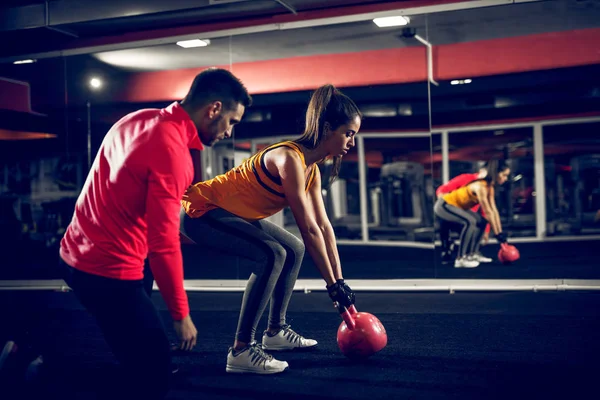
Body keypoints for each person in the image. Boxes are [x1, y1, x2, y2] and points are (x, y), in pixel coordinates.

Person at [57, 68, 252, 398]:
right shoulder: (172, 153)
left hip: (73, 254)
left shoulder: (138, 119)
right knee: (154, 373)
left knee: (135, 331)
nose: (229, 132)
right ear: (214, 109)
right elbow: (164, 243)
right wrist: (181, 315)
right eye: (231, 122)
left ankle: (138, 352)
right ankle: (35, 368)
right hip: (106, 272)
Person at [180, 84, 361, 374]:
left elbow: (324, 227)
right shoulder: (289, 159)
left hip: (233, 213)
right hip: (203, 210)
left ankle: (275, 332)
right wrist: (331, 286)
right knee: (272, 253)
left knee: (293, 249)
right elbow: (308, 228)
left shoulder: (310, 169)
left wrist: (340, 281)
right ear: (328, 128)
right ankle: (241, 349)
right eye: (348, 133)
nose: (352, 141)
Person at [433, 159, 511, 268]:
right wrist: (497, 234)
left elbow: (493, 210)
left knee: (481, 221)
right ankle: (461, 259)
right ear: (495, 173)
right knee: (470, 222)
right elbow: (488, 211)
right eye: (504, 175)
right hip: (444, 205)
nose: (505, 178)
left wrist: (500, 233)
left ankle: (472, 254)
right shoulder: (480, 186)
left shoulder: (490, 188)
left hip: (458, 207)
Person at [435, 166, 492, 264]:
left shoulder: (486, 187)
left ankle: (471, 253)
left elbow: (485, 210)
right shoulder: (465, 178)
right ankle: (448, 249)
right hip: (453, 212)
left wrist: (486, 231)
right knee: (446, 222)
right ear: (481, 171)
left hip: (468, 216)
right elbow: (442, 190)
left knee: (477, 225)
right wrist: (452, 208)